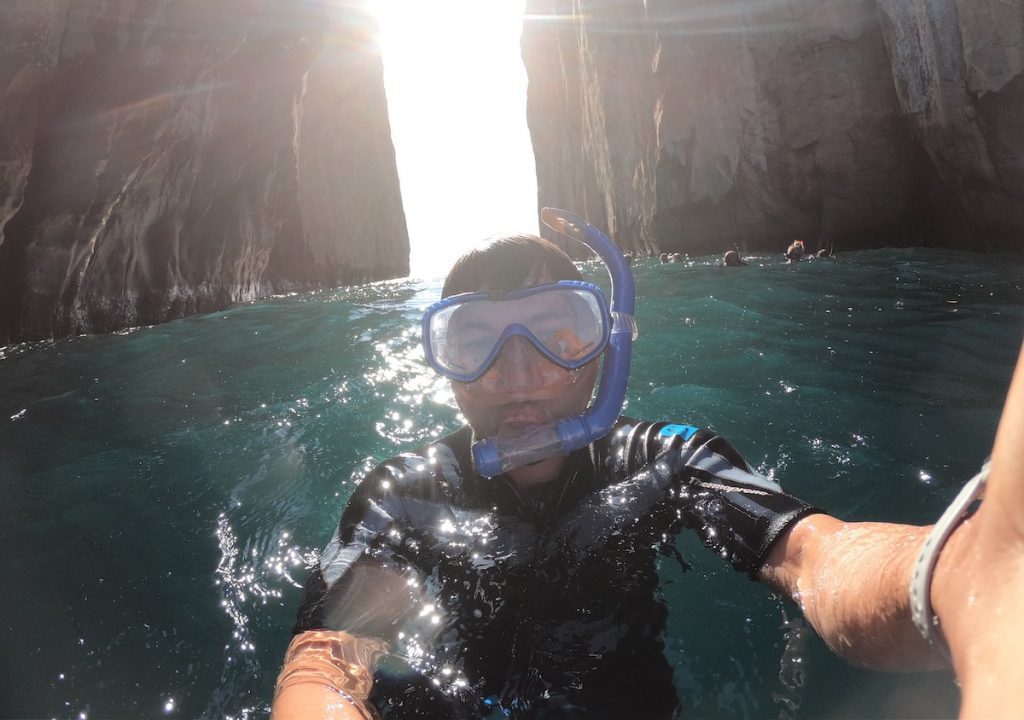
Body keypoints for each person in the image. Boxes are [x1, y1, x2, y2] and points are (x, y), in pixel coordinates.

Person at [271, 210, 1024, 719]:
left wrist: (958, 576)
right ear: (448, 368)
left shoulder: (667, 460)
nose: (519, 371)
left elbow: (812, 553)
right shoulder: (404, 494)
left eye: (557, 333)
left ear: (606, 347)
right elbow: (328, 660)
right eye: (477, 343)